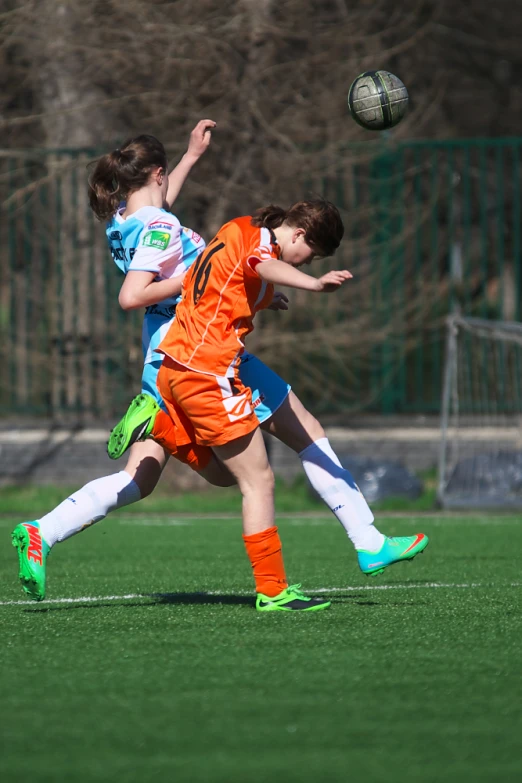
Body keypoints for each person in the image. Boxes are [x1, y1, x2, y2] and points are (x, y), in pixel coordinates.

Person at [143, 199, 428, 611]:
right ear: (297, 234)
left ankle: (370, 542)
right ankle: (273, 590)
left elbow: (220, 280)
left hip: (191, 360)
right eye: (310, 255)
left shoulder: (239, 226)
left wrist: (263, 297)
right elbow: (262, 264)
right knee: (256, 481)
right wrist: (311, 285)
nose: (308, 264)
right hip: (205, 370)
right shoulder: (262, 246)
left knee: (307, 429)